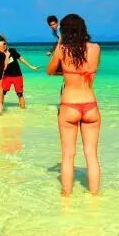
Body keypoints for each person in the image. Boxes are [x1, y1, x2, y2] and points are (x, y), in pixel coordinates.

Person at [47, 14, 101, 197]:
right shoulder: (95, 48)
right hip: (90, 105)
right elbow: (90, 70)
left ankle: (66, 198)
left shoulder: (62, 49)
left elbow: (49, 71)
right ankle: (95, 198)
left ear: (64, 31)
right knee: (91, 155)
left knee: (68, 155)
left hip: (69, 105)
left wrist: (60, 43)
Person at [1, 45, 40, 109]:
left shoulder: (12, 50)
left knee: (19, 94)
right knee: (2, 93)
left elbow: (21, 59)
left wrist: (31, 67)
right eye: (2, 44)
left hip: (17, 76)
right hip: (6, 76)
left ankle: (23, 111)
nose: (4, 45)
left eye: (5, 44)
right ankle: (0, 108)